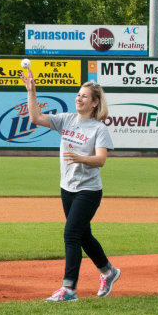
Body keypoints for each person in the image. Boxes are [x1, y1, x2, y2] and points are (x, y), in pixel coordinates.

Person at [21, 70, 121, 302]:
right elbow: (36, 118)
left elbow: (101, 160)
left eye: (85, 96)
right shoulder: (67, 120)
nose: (79, 98)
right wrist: (31, 91)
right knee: (83, 235)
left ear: (95, 103)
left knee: (71, 234)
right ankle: (108, 271)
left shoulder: (99, 129)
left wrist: (81, 158)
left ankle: (68, 290)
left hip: (89, 191)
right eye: (78, 95)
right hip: (68, 188)